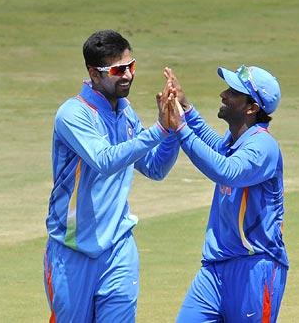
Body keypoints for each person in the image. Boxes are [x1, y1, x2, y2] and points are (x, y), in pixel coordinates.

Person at [43, 29, 180, 322]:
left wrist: (171, 132)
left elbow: (154, 168)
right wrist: (158, 130)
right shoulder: (73, 114)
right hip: (72, 249)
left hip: (118, 247)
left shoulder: (125, 112)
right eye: (118, 70)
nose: (128, 75)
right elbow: (104, 160)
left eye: (131, 66)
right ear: (94, 73)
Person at [162, 65, 288, 322]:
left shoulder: (263, 146)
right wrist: (185, 108)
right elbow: (215, 146)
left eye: (233, 92)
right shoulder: (235, 141)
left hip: (255, 267)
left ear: (251, 108)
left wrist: (181, 130)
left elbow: (227, 171)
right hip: (215, 267)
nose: (223, 94)